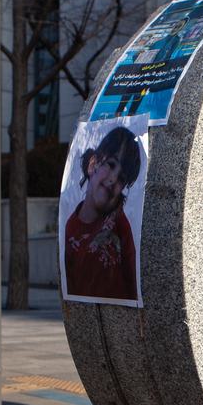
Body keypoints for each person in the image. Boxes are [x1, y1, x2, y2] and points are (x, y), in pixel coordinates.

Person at [64, 126, 141, 302]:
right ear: (93, 164)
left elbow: (132, 278)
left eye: (121, 178)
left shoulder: (119, 222)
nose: (113, 179)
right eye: (111, 165)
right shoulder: (70, 230)